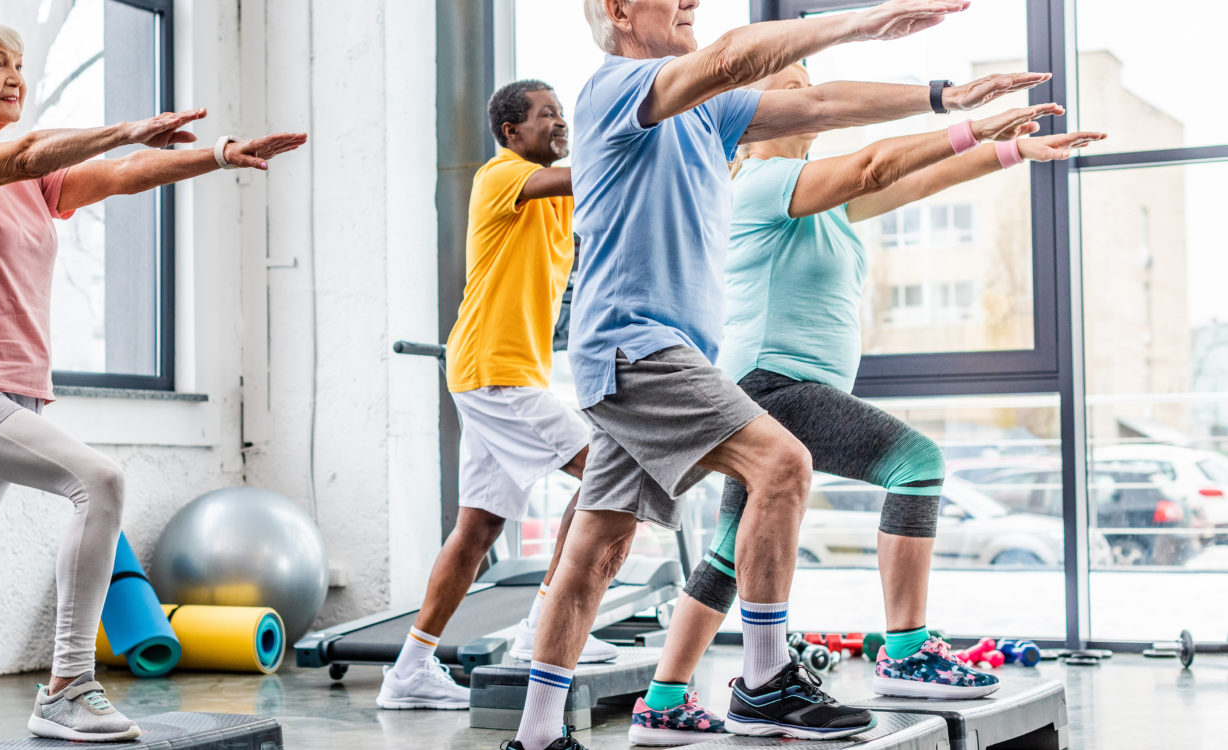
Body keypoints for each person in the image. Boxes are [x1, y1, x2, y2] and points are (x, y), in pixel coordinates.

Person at [502, 1, 1053, 748]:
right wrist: (866, 21)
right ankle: (762, 682)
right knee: (783, 464)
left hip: (658, 356)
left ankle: (535, 738)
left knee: (599, 546)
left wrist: (946, 98)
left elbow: (823, 104)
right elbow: (736, 58)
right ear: (620, 9)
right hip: (637, 347)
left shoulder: (710, 116)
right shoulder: (616, 86)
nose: (692, 2)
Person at [0, 15, 305, 750]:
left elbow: (118, 176)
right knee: (101, 481)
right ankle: (67, 685)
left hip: (13, 389)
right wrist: (126, 126)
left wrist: (219, 153)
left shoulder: (35, 175)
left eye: (19, 63)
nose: (15, 76)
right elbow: (22, 159)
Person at [627, 62, 1105, 746]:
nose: (806, 94)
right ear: (752, 115)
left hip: (775, 384)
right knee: (917, 464)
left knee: (734, 552)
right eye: (788, 86)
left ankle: (663, 701)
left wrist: (1014, 151)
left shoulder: (815, 198)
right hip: (774, 384)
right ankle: (905, 651)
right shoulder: (758, 182)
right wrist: (968, 120)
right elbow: (876, 164)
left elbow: (920, 178)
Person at [377, 79, 620, 712]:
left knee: (478, 527)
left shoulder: (558, 200)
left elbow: (607, 196)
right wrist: (613, 135)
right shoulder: (500, 174)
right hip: (495, 369)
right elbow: (582, 172)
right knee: (609, 477)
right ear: (512, 132)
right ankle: (543, 628)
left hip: (502, 373)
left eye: (563, 114)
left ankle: (410, 669)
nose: (560, 123)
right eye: (547, 116)